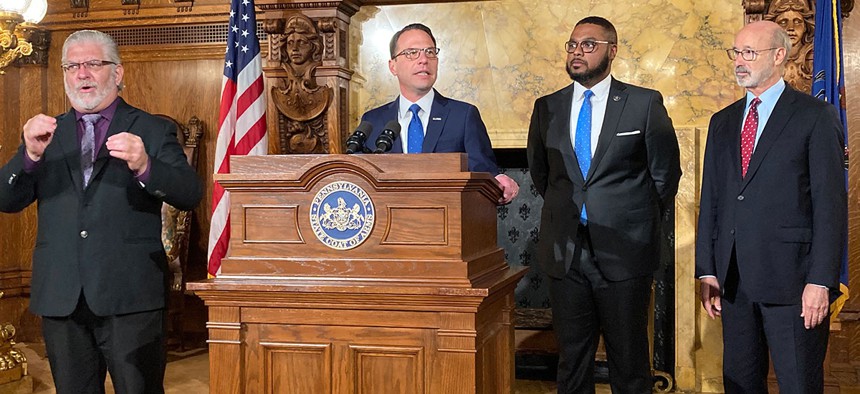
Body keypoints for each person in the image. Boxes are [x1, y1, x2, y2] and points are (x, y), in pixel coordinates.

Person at [0, 30, 202, 393]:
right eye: (72, 66)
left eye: (93, 63)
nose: (82, 74)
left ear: (118, 73)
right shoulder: (47, 134)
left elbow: (189, 193)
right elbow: (6, 199)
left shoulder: (151, 130)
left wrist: (145, 165)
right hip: (62, 297)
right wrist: (28, 156)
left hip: (131, 296)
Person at [527, 16, 681, 393]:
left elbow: (665, 175)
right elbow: (542, 173)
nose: (578, 51)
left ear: (612, 50)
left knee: (629, 362)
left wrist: (628, 216)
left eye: (589, 44)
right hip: (566, 251)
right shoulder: (547, 107)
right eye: (573, 44)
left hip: (625, 252)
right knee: (572, 360)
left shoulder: (643, 103)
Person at [696, 20, 846, 393]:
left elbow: (830, 205)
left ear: (779, 56)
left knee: (798, 384)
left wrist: (820, 281)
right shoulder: (723, 122)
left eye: (750, 53)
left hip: (793, 284)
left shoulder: (814, 116)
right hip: (733, 282)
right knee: (741, 385)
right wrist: (706, 270)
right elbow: (712, 199)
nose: (739, 62)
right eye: (736, 53)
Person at [360, 23, 518, 204]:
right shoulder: (373, 121)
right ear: (393, 66)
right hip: (389, 226)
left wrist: (500, 183)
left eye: (430, 52)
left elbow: (486, 180)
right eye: (412, 52)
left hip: (449, 224)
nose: (423, 59)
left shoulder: (463, 116)